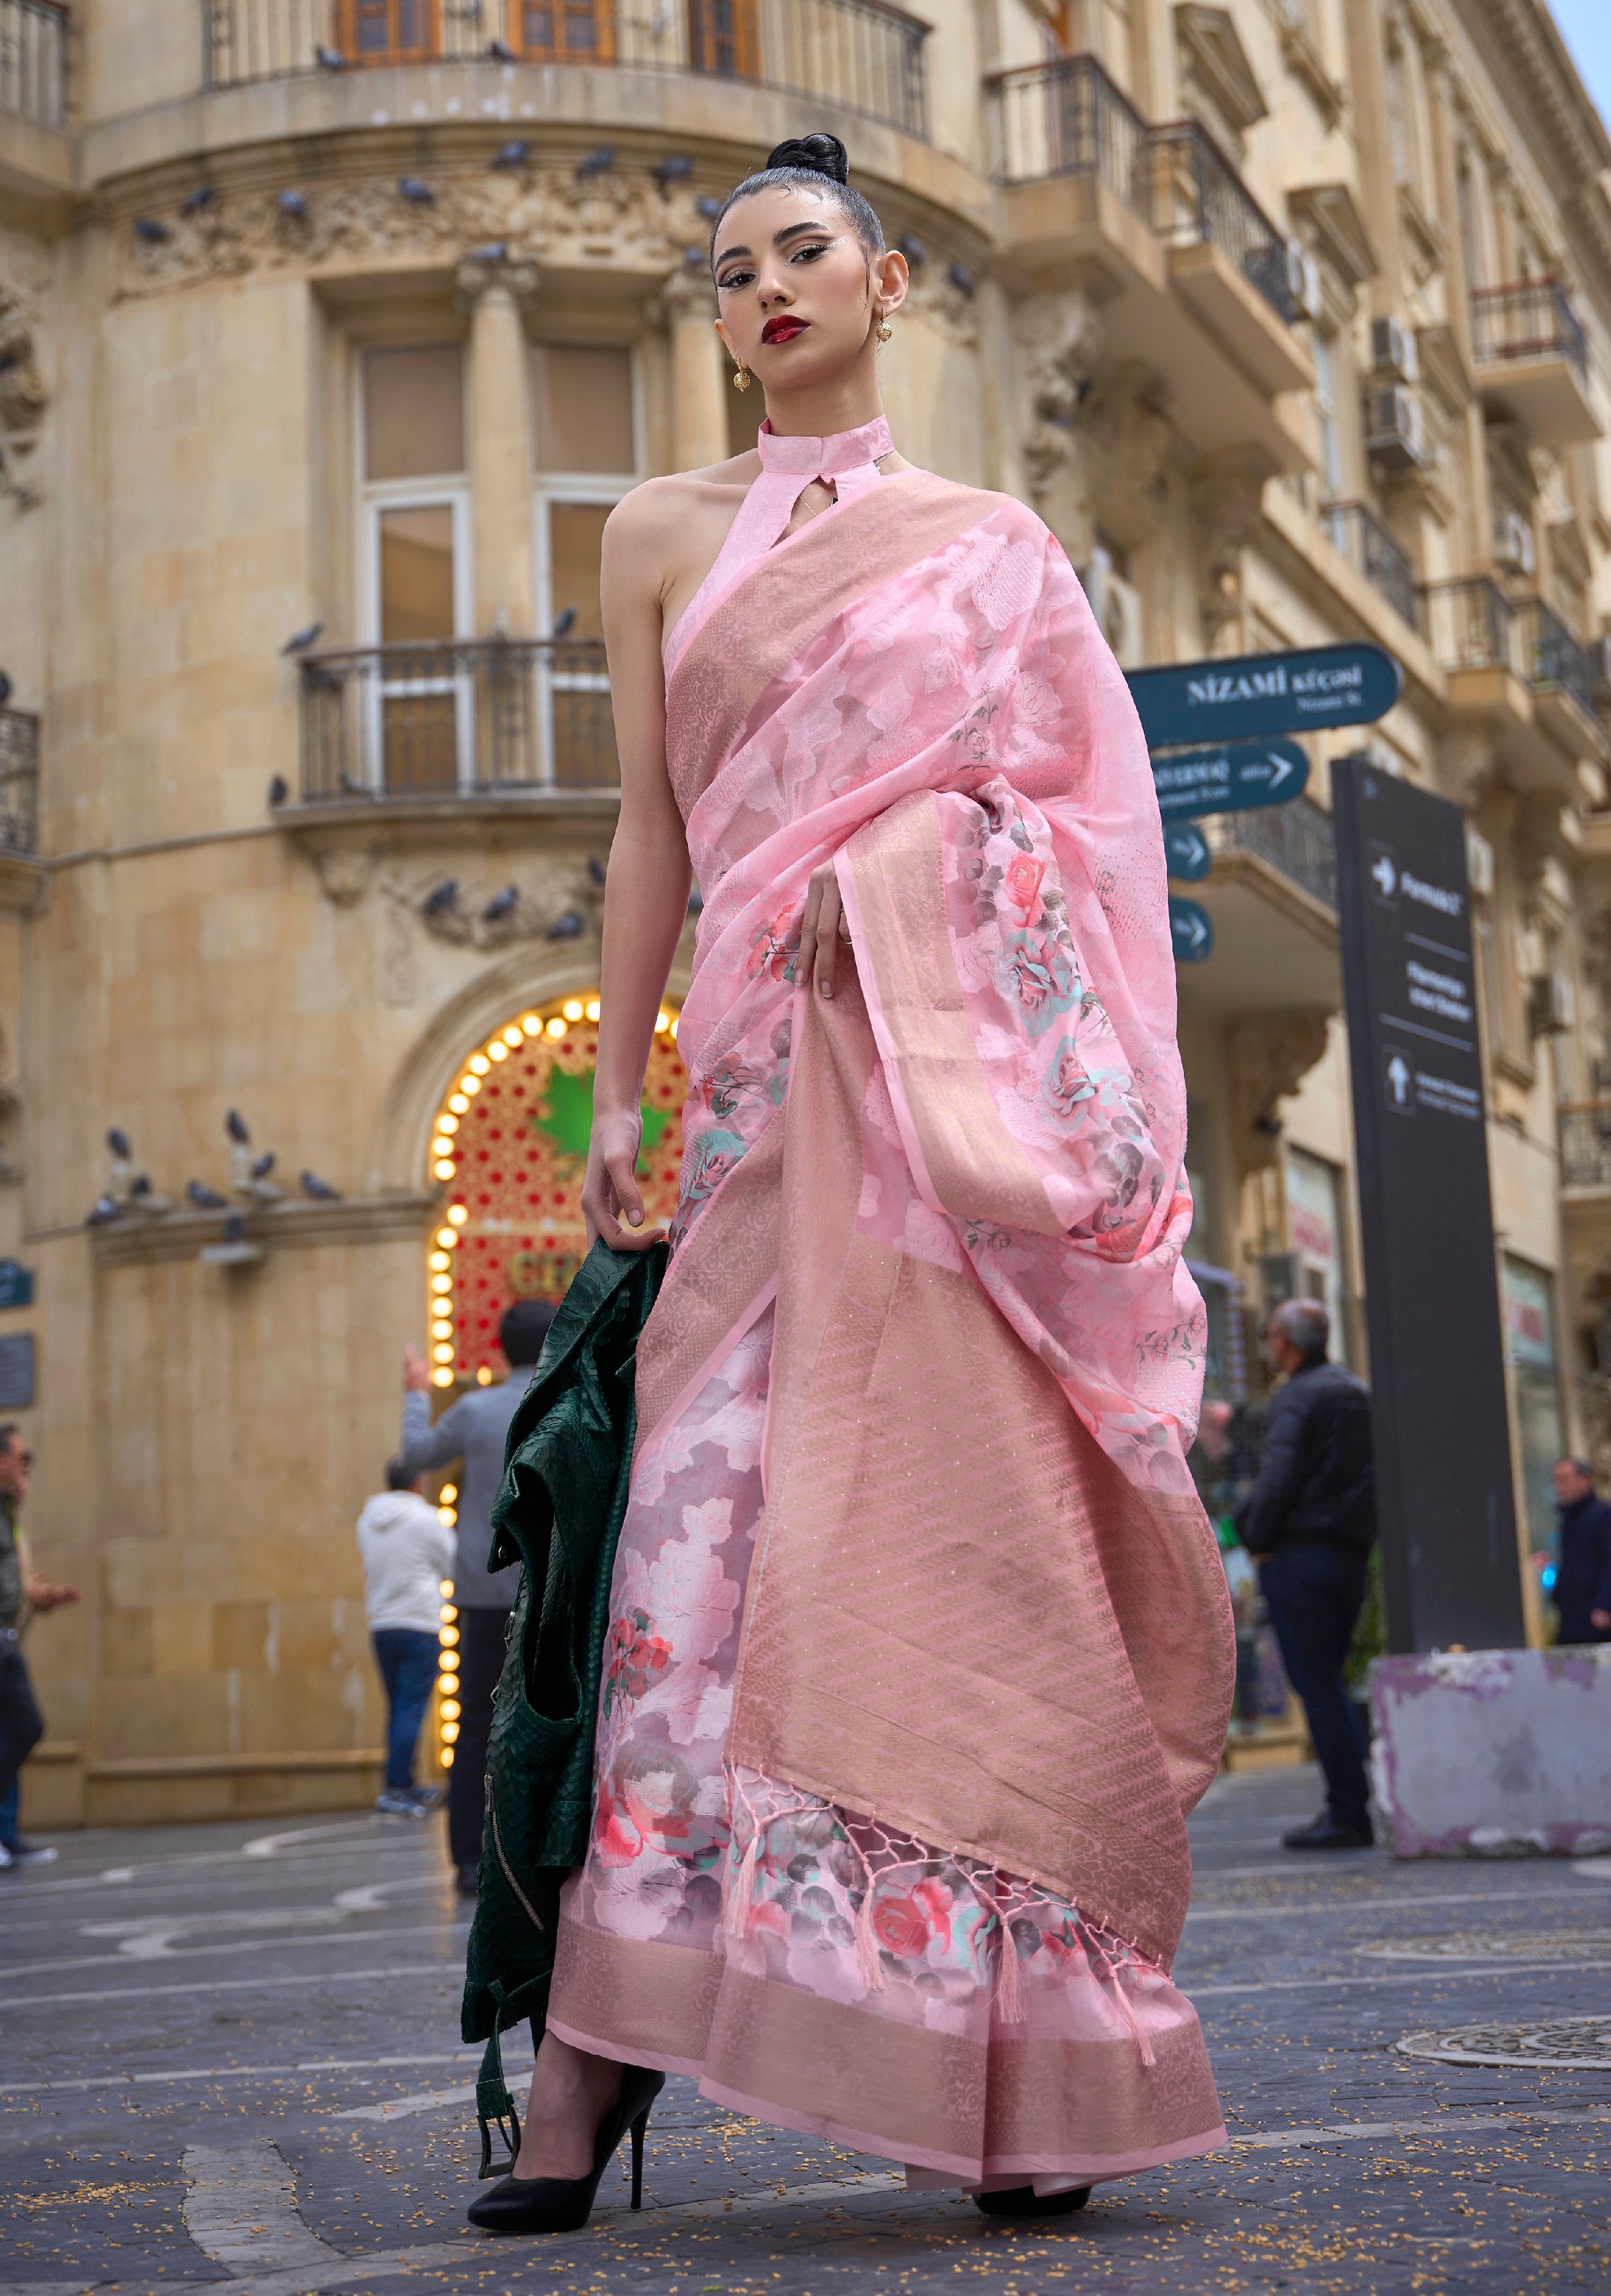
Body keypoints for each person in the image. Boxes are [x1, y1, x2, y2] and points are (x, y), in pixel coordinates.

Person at [467, 133, 1234, 2238]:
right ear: (715, 325)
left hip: (933, 1124)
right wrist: (609, 1090)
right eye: (728, 271)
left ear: (890, 287)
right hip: (743, 1114)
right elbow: (650, 831)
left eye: (803, 250)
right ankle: (587, 2076)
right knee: (687, 1573)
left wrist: (904, 880)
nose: (765, 286)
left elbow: (1071, 830)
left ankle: (1014, 2068)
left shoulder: (991, 547)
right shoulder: (653, 532)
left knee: (954, 1560)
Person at [398, 1297, 556, 1891]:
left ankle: (467, 1859)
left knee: (475, 1725)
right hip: (549, 1587)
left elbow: (414, 1457)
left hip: (483, 1589)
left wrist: (416, 1392)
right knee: (553, 1720)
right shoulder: (566, 1400)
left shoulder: (473, 1408)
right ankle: (545, 1851)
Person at [1235, 1299, 1376, 1851]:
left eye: (1269, 1334)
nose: (1269, 1345)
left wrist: (1254, 1536)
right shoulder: (1356, 1391)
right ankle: (1352, 1805)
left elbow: (1277, 1480)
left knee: (1316, 1687)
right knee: (1330, 1681)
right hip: (1346, 1556)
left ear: (1285, 1343)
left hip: (1300, 1558)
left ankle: (1347, 1812)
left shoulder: (1296, 1396)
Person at [358, 1461, 456, 1817]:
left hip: (382, 1625)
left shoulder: (367, 1520)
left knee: (399, 1707)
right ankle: (397, 1789)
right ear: (418, 1483)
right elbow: (452, 1564)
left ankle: (404, 1782)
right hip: (419, 1624)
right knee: (411, 1708)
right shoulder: (426, 1518)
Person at [0, 1425, 79, 1870]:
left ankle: (6, 1835)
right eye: (21, 1460)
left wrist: (38, 1598)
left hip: (8, 1638)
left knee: (22, 1727)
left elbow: (11, 1588)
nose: (25, 1472)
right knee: (19, 1726)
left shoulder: (10, 1519)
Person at [1550, 1457, 1611, 1645]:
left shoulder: (1603, 1515)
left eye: (1565, 1479)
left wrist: (1604, 1605)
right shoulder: (1568, 1520)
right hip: (1572, 1620)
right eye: (1556, 1481)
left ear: (1585, 1480)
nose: (1560, 1487)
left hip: (1596, 1620)